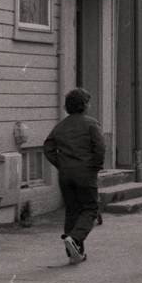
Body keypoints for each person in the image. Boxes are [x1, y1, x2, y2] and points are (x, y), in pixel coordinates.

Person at [43, 88, 105, 264]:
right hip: (85, 172)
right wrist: (96, 166)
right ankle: (75, 239)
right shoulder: (91, 123)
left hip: (65, 174)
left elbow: (47, 147)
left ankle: (74, 254)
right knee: (90, 209)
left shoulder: (60, 126)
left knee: (72, 211)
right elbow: (100, 147)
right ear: (84, 105)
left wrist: (61, 163)